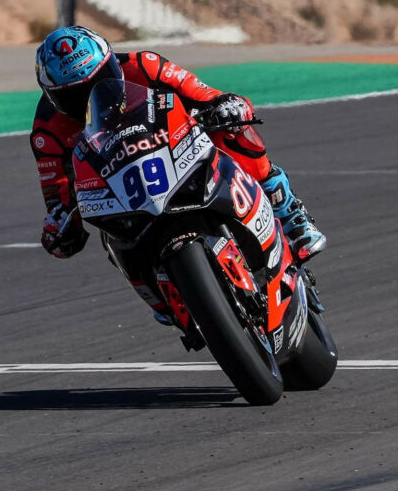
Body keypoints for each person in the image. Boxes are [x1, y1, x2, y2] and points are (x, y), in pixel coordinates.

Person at [30, 26, 325, 331]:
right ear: (53, 96)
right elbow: (57, 195)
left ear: (112, 63)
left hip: (178, 148)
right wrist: (60, 226)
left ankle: (288, 210)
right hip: (120, 185)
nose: (92, 96)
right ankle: (161, 299)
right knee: (109, 232)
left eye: (100, 80)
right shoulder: (47, 130)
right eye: (76, 95)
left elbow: (207, 95)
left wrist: (226, 106)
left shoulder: (144, 64)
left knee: (231, 127)